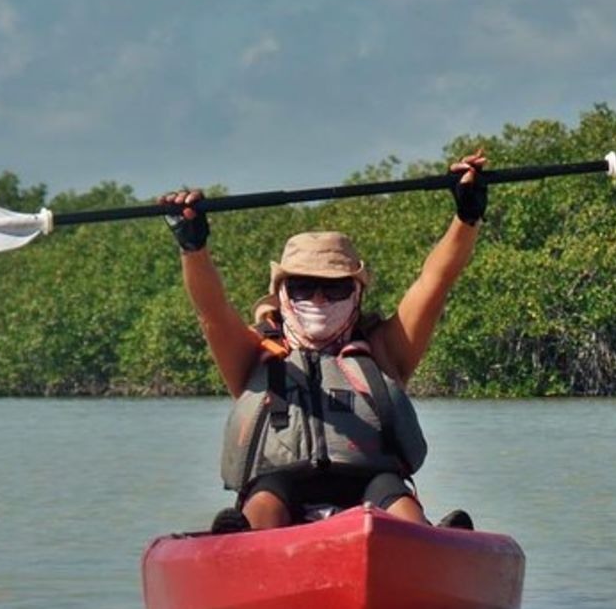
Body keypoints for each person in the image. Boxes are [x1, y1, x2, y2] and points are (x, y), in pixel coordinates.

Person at [160, 150, 487, 533]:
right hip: (280, 482)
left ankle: (428, 545)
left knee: (397, 499)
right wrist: (192, 248)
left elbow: (434, 282)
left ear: (357, 293)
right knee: (264, 500)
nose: (317, 299)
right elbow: (212, 311)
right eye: (303, 287)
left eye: (334, 289)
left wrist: (466, 217)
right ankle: (241, 542)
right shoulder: (253, 355)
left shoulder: (385, 349)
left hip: (370, 482)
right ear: (281, 292)